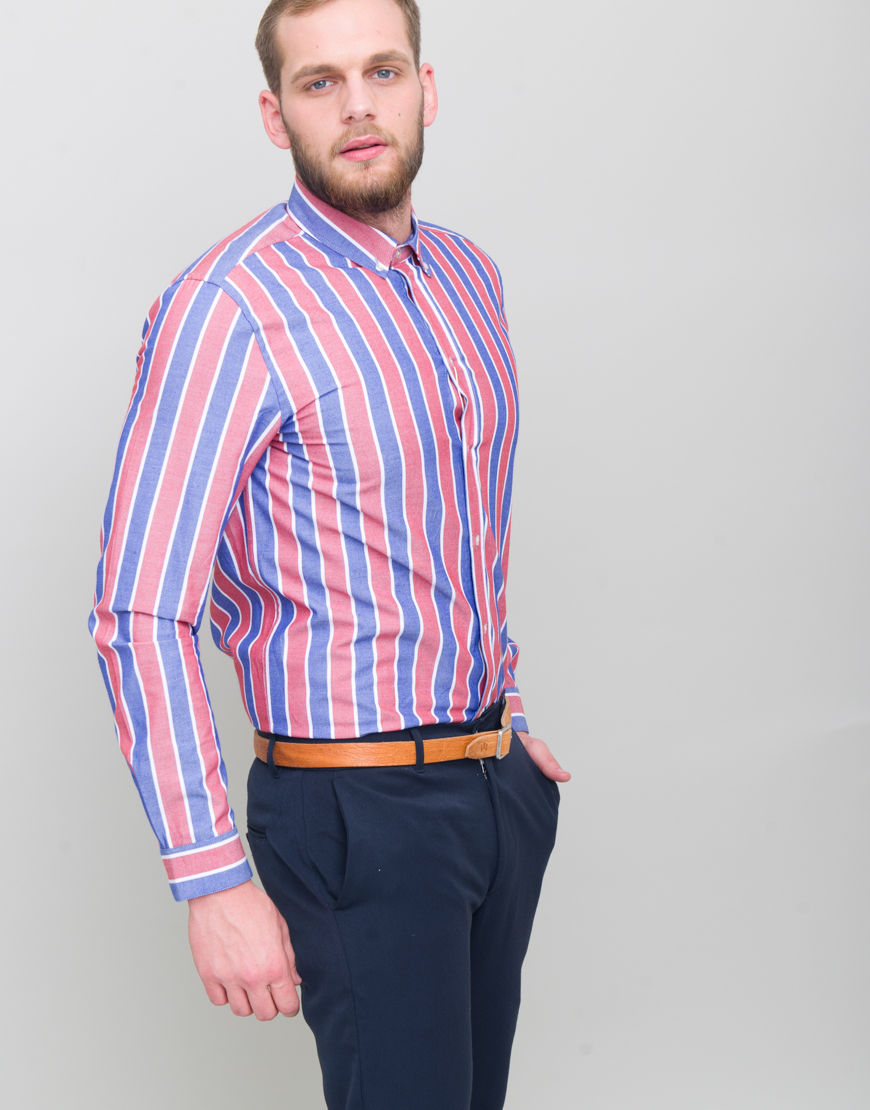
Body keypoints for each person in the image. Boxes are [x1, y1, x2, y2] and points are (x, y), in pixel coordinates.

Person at [90, 0, 569, 1106]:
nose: (358, 106)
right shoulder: (228, 308)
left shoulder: (469, 278)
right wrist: (211, 877)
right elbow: (139, 611)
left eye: (382, 72)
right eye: (320, 82)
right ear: (276, 115)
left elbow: (458, 531)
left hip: (493, 791)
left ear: (425, 90)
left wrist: (504, 724)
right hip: (354, 810)